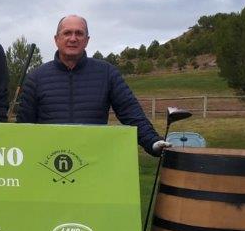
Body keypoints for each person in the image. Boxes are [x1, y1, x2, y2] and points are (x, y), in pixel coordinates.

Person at [16, 15, 170, 156]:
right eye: (67, 33)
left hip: (93, 161)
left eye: (79, 33)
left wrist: (152, 141)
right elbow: (23, 129)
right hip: (46, 161)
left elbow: (131, 113)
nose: (73, 38)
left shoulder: (107, 73)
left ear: (87, 40)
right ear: (56, 39)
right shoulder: (36, 77)